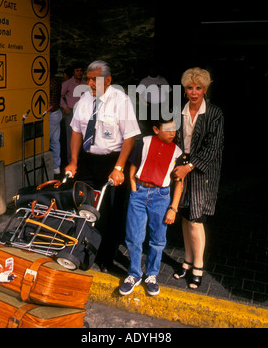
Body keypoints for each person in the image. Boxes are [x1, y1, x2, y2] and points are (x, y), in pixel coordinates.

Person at [66, 60, 141, 271]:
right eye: (88, 78)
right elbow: (76, 132)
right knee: (83, 206)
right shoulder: (84, 101)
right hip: (88, 160)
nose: (89, 83)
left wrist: (118, 168)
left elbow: (129, 138)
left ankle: (107, 257)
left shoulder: (121, 101)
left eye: (94, 79)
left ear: (108, 80)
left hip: (113, 161)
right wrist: (73, 161)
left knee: (110, 212)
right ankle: (83, 250)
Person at [119, 117, 183, 297]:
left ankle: (152, 275)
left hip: (161, 197)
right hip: (139, 193)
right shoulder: (144, 142)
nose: (172, 133)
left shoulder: (177, 152)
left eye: (174, 129)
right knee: (133, 237)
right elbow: (133, 166)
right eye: (168, 129)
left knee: (158, 239)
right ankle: (134, 274)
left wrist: (173, 208)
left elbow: (179, 182)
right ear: (156, 129)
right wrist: (133, 189)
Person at [172, 67, 224, 289]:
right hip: (181, 166)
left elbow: (214, 148)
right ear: (185, 90)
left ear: (205, 89)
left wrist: (189, 166)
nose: (194, 92)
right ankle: (188, 260)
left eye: (198, 88)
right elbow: (172, 139)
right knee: (185, 216)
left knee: (196, 219)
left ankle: (198, 266)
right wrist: (176, 164)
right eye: (190, 88)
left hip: (202, 172)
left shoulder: (214, 113)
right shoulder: (177, 111)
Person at [61, 63, 86, 163]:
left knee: (84, 134)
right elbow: (59, 95)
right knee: (71, 136)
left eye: (81, 71)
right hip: (71, 111)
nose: (79, 73)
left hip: (83, 112)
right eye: (77, 71)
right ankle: (70, 160)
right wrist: (65, 107)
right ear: (73, 72)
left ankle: (80, 160)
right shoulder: (67, 83)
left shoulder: (85, 84)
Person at [49, 58, 63, 175]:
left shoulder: (50, 81)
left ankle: (55, 167)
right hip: (57, 112)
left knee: (49, 140)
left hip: (51, 113)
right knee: (55, 141)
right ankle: (56, 167)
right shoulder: (57, 81)